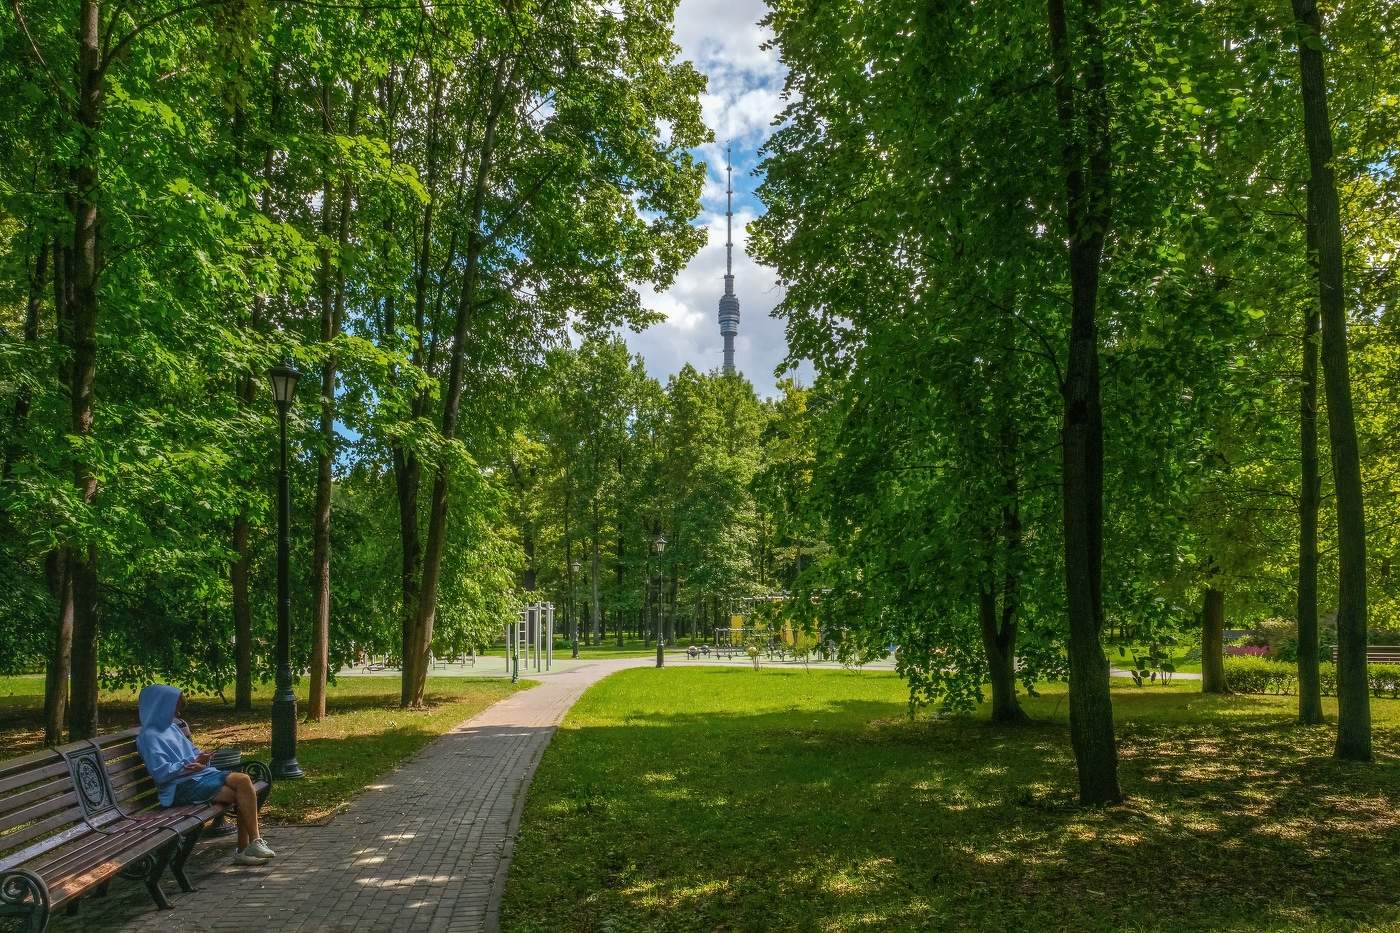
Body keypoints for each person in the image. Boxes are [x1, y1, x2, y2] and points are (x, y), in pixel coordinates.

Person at [136, 684, 275, 866]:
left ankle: (245, 849)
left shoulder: (172, 728)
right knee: (243, 782)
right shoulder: (148, 737)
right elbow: (161, 774)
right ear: (159, 706)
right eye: (175, 708)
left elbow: (192, 753)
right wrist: (188, 766)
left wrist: (201, 758)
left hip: (198, 778)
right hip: (179, 788)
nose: (177, 714)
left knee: (242, 791)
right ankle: (252, 844)